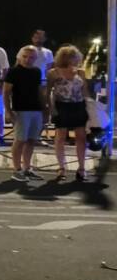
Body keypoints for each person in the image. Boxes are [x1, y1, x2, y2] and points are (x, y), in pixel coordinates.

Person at [4, 46, 48, 182]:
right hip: (21, 110)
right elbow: (6, 92)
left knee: (32, 140)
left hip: (36, 109)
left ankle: (27, 168)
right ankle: (17, 170)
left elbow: (39, 91)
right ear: (20, 57)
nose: (28, 59)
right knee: (20, 140)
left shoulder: (36, 71)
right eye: (25, 56)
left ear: (35, 59)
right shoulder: (13, 72)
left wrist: (45, 108)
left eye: (31, 57)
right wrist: (8, 111)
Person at [47, 46, 90, 181]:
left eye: (75, 56)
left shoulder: (81, 72)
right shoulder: (53, 72)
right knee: (60, 137)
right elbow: (48, 92)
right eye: (70, 56)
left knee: (81, 137)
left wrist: (91, 106)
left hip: (78, 105)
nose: (74, 59)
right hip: (62, 106)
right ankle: (61, 168)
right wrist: (51, 108)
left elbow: (85, 91)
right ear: (63, 57)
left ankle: (82, 168)